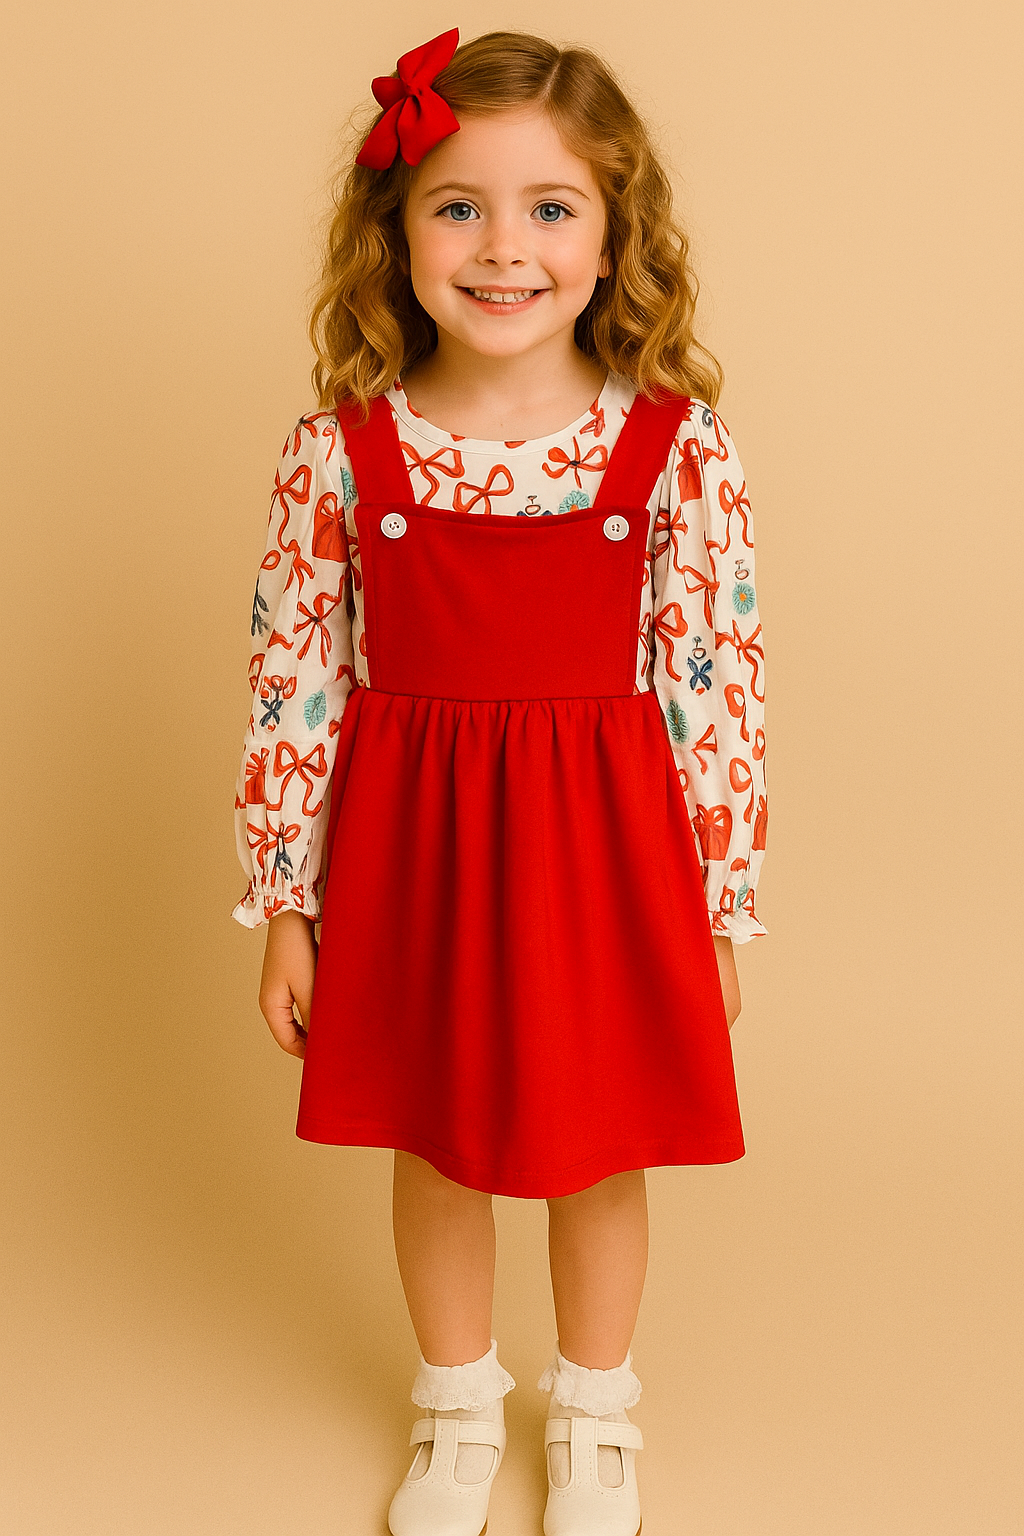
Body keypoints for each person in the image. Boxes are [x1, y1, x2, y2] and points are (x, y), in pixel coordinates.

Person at [231, 25, 769, 1536]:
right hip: (414, 851)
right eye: (459, 206)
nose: (504, 248)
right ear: (396, 236)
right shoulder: (342, 454)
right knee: (440, 1132)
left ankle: (595, 1415)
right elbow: (295, 684)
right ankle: (456, 1401)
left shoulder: (672, 452)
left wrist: (722, 907)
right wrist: (286, 902)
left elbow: (719, 689)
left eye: (550, 208)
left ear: (614, 236)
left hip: (607, 851)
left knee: (595, 1147)